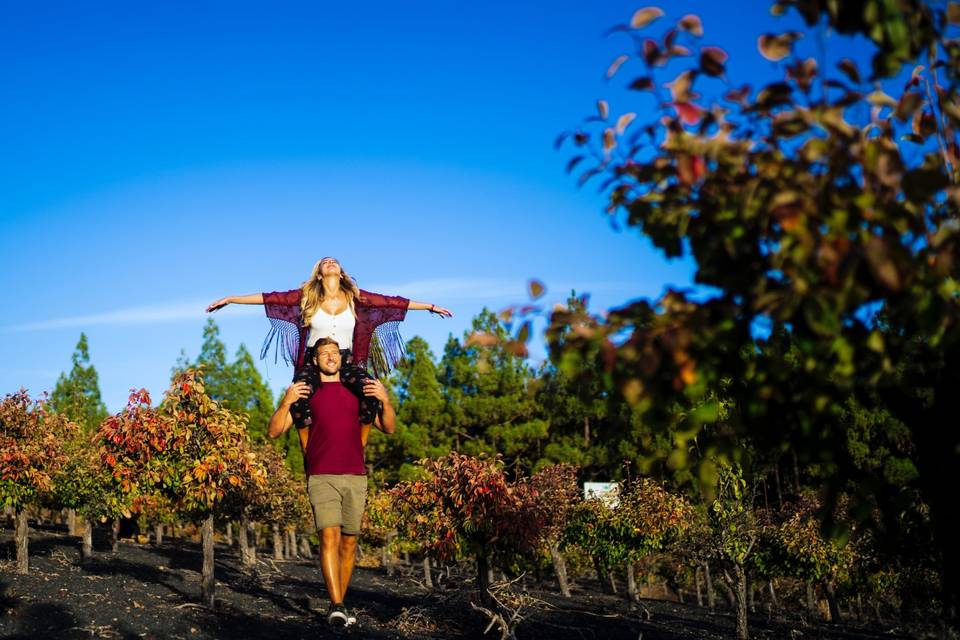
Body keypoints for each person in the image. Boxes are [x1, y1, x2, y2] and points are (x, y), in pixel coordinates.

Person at [206, 256, 451, 431]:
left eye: (335, 261)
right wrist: (232, 299)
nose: (331, 262)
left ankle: (361, 447)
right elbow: (269, 298)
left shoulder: (357, 298)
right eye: (325, 261)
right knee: (299, 395)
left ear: (341, 273)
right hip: (314, 358)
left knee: (370, 392)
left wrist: (429, 307)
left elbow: (393, 302)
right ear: (320, 273)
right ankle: (307, 450)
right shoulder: (306, 297)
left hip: (346, 359)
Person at [268, 338, 395, 627]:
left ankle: (341, 601)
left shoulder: (358, 394)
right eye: (323, 353)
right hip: (321, 475)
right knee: (329, 536)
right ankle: (337, 605)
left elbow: (388, 427)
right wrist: (286, 401)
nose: (329, 356)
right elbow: (274, 431)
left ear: (342, 359)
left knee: (349, 543)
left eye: (334, 352)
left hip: (355, 476)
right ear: (315, 361)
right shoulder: (305, 395)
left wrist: (385, 399)